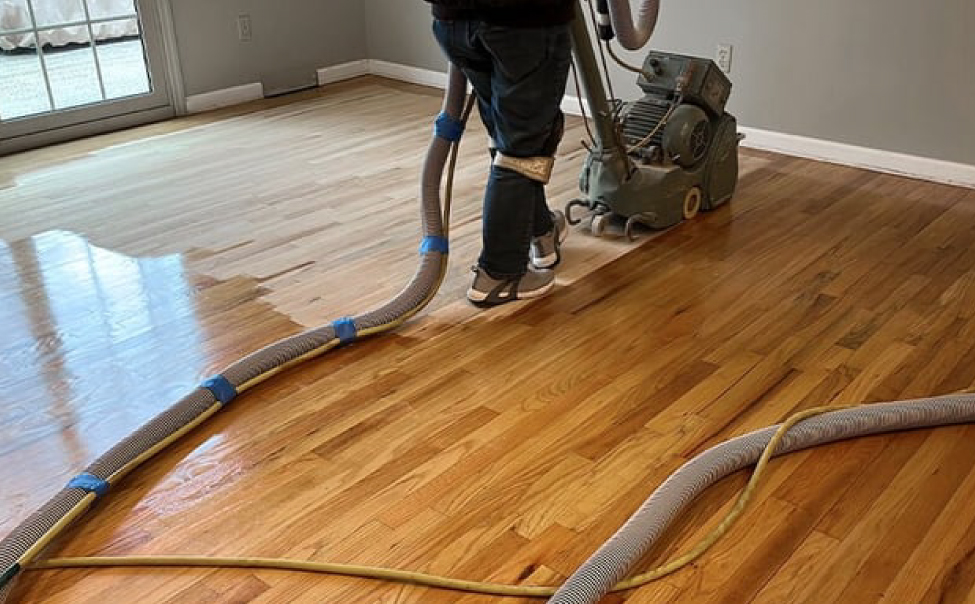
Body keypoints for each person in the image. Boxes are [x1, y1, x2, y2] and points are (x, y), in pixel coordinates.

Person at [425, 0, 576, 307]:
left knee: (509, 134)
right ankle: (500, 273)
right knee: (521, 149)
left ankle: (541, 234)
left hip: (452, 23)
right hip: (523, 23)